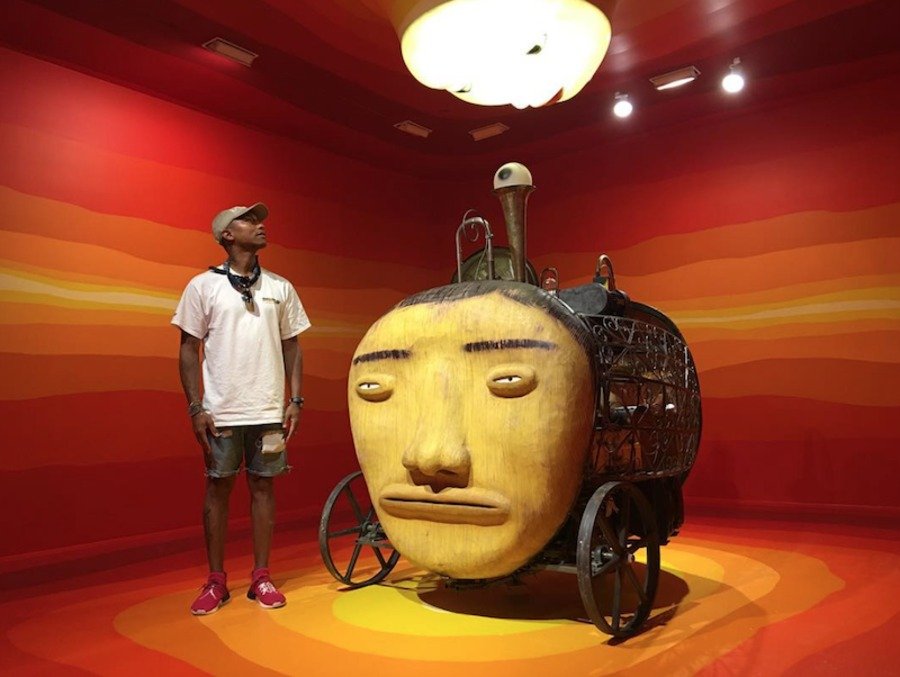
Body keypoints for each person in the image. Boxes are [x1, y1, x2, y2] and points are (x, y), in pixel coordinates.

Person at [172, 202, 310, 615]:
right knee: (218, 488)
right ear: (227, 235)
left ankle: (261, 576)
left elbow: (292, 345)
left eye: (259, 219)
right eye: (248, 220)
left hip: (268, 409)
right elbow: (188, 348)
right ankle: (216, 580)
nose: (260, 225)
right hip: (222, 411)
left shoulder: (280, 287)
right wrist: (195, 406)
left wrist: (295, 400)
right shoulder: (203, 286)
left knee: (264, 488)